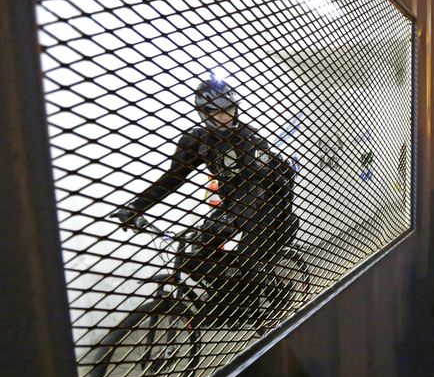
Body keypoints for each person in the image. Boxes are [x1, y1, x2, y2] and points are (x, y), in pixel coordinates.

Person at [110, 78, 298, 318]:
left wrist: (242, 227)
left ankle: (269, 298)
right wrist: (136, 207)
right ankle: (231, 296)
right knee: (195, 254)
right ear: (202, 112)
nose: (225, 116)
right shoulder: (196, 140)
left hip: (269, 207)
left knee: (248, 259)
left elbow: (261, 184)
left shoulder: (249, 138)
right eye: (216, 111)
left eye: (229, 109)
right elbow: (172, 178)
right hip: (233, 205)